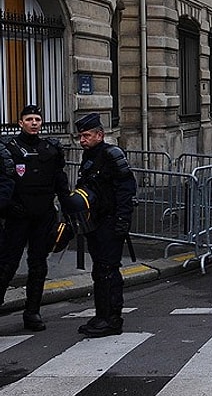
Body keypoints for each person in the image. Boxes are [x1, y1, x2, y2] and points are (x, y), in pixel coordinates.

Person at [0, 105, 70, 331]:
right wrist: (9, 207)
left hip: (43, 217)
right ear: (20, 122)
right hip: (17, 218)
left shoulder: (50, 149)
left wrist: (68, 208)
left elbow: (60, 181)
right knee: (7, 265)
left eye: (37, 119)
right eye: (29, 119)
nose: (33, 123)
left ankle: (32, 313)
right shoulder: (9, 148)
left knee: (38, 266)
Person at [72, 113, 136, 338]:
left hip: (111, 222)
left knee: (108, 271)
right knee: (99, 271)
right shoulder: (88, 156)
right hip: (96, 223)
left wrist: (122, 220)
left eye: (87, 135)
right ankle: (102, 315)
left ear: (100, 134)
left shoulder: (112, 155)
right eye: (81, 136)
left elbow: (126, 189)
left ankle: (112, 319)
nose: (83, 139)